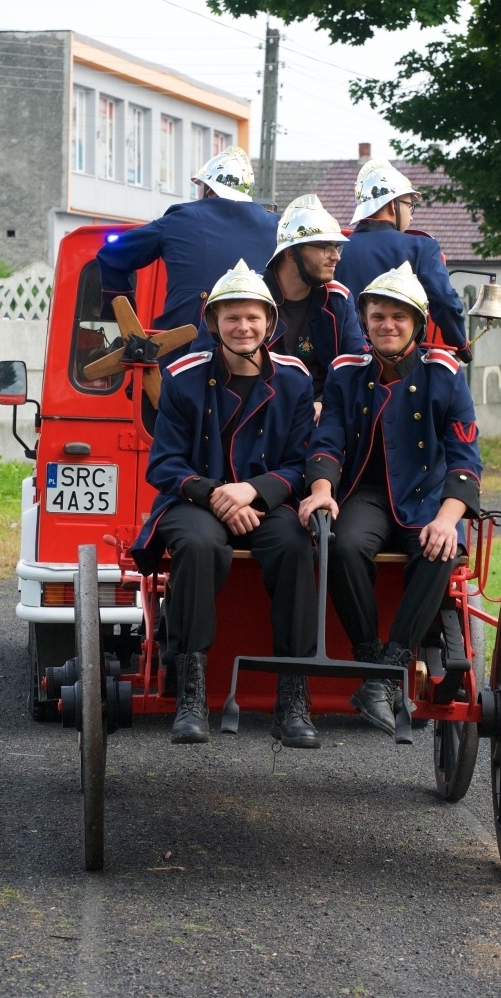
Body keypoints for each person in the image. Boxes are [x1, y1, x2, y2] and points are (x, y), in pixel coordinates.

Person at [132, 260, 321, 749]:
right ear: (213, 323)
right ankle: (191, 697)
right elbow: (165, 464)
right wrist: (218, 494)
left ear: (269, 323)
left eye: (253, 317)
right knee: (196, 544)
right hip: (195, 501)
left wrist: (253, 490)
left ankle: (292, 699)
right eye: (232, 318)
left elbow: (303, 462)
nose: (243, 327)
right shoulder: (184, 376)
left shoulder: (296, 381)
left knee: (298, 545)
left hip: (266, 502)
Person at [298, 261, 482, 736]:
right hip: (367, 492)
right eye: (378, 315)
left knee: (441, 548)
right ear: (365, 320)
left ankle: (389, 669)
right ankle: (373, 670)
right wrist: (322, 490)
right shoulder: (346, 372)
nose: (388, 325)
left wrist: (447, 518)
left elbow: (465, 459)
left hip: (426, 496)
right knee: (340, 544)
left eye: (399, 317)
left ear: (417, 324)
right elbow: (328, 440)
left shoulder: (445, 373)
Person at [96, 146, 278, 342]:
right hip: (258, 348)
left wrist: (123, 319)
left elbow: (111, 255)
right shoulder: (277, 225)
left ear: (208, 190)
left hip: (181, 349)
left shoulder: (181, 219)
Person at [334, 158, 472, 361]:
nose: (412, 216)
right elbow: (444, 301)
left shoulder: (334, 250)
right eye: (410, 205)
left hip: (345, 365)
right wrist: (460, 343)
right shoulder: (421, 247)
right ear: (392, 205)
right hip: (402, 368)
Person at [263, 193, 365, 416]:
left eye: (336, 247)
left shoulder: (338, 300)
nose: (335, 256)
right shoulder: (251, 298)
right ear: (291, 253)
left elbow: (356, 366)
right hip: (262, 416)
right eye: (324, 247)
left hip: (322, 418)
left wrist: (324, 402)